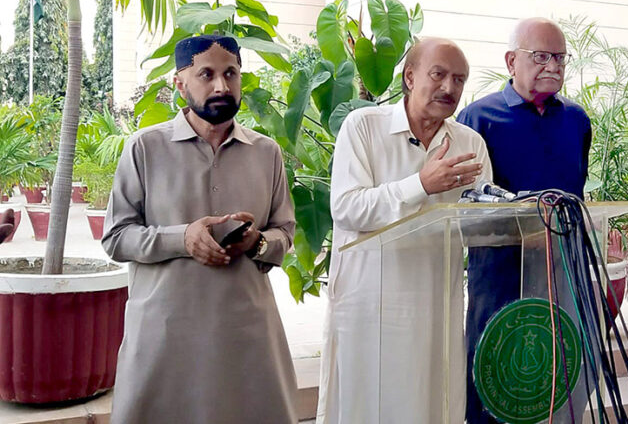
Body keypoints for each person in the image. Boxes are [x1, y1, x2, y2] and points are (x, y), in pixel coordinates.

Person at [102, 35, 297, 423]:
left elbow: (284, 233)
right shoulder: (145, 148)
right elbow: (116, 236)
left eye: (231, 74)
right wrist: (183, 238)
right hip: (165, 335)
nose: (221, 86)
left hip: (246, 333)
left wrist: (258, 243)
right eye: (206, 74)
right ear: (180, 82)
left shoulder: (266, 152)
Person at [317, 37, 492, 423]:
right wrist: (421, 185)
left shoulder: (469, 144)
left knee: (430, 407)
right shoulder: (363, 127)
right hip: (370, 309)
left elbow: (480, 225)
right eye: (439, 74)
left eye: (459, 80)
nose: (449, 88)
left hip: (435, 309)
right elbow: (347, 208)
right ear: (410, 77)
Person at [457, 17, 592, 423]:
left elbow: (577, 190)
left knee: (561, 371)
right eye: (541, 56)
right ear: (511, 61)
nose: (553, 66)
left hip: (564, 266)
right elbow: (468, 205)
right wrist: (522, 229)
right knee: (493, 372)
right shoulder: (477, 119)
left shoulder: (577, 120)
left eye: (561, 58)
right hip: (500, 274)